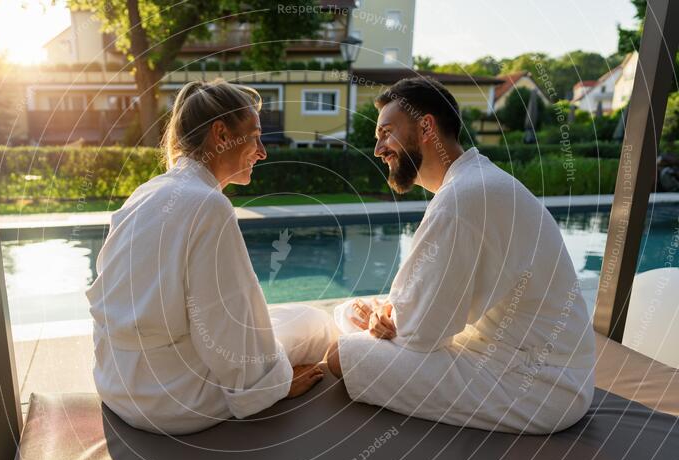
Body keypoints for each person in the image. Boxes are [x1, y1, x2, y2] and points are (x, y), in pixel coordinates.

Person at [324, 77, 596, 435]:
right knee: (351, 313)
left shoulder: (462, 199)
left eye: (386, 133)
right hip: (542, 366)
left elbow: (416, 337)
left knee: (340, 355)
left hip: (538, 387)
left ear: (426, 127)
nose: (378, 148)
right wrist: (386, 313)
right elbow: (420, 312)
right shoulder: (473, 182)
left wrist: (386, 316)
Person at [87, 79, 338, 435]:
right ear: (221, 135)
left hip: (117, 383)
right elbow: (225, 329)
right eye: (254, 136)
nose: (262, 151)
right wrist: (274, 386)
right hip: (171, 400)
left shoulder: (145, 193)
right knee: (316, 324)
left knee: (275, 319)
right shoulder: (209, 205)